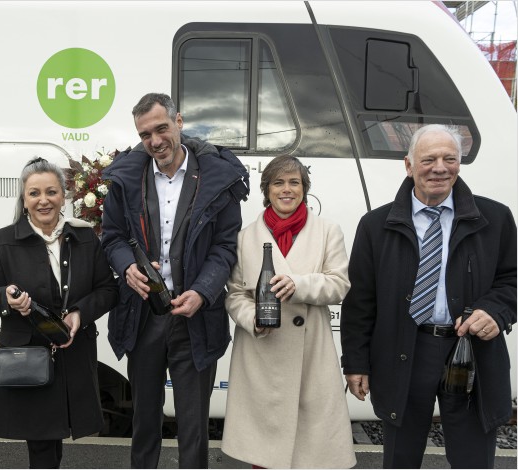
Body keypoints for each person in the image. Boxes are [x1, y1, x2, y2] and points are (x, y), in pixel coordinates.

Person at [341, 124, 517, 468]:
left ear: (459, 164)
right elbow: (361, 302)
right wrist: (356, 363)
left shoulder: (494, 219)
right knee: (401, 459)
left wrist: (495, 311)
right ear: (408, 165)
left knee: (472, 460)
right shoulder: (376, 225)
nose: (440, 167)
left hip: (471, 355)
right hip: (404, 352)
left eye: (449, 158)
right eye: (429, 159)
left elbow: (512, 279)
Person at [101, 92, 249, 468]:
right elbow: (112, 236)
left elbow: (225, 246)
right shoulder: (125, 177)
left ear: (179, 122)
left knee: (194, 425)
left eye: (161, 128)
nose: (155, 141)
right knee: (144, 420)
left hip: (195, 318)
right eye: (145, 133)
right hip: (142, 314)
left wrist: (202, 291)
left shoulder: (218, 178)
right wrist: (126, 267)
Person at [0, 157, 118, 469]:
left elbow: (108, 290)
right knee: (41, 446)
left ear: (63, 196)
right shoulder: (2, 242)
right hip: (29, 356)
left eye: (51, 192)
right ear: (24, 200)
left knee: (54, 443)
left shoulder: (85, 238)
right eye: (34, 193)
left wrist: (79, 314)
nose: (44, 200)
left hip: (73, 356)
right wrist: (7, 299)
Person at [221, 155, 356, 468]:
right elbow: (235, 294)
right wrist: (250, 318)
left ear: (304, 189)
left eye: (294, 182)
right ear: (266, 189)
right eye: (278, 183)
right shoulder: (245, 238)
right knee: (264, 455)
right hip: (261, 354)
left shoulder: (327, 231)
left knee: (311, 454)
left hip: (311, 355)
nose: (286, 189)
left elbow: (339, 284)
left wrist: (299, 285)